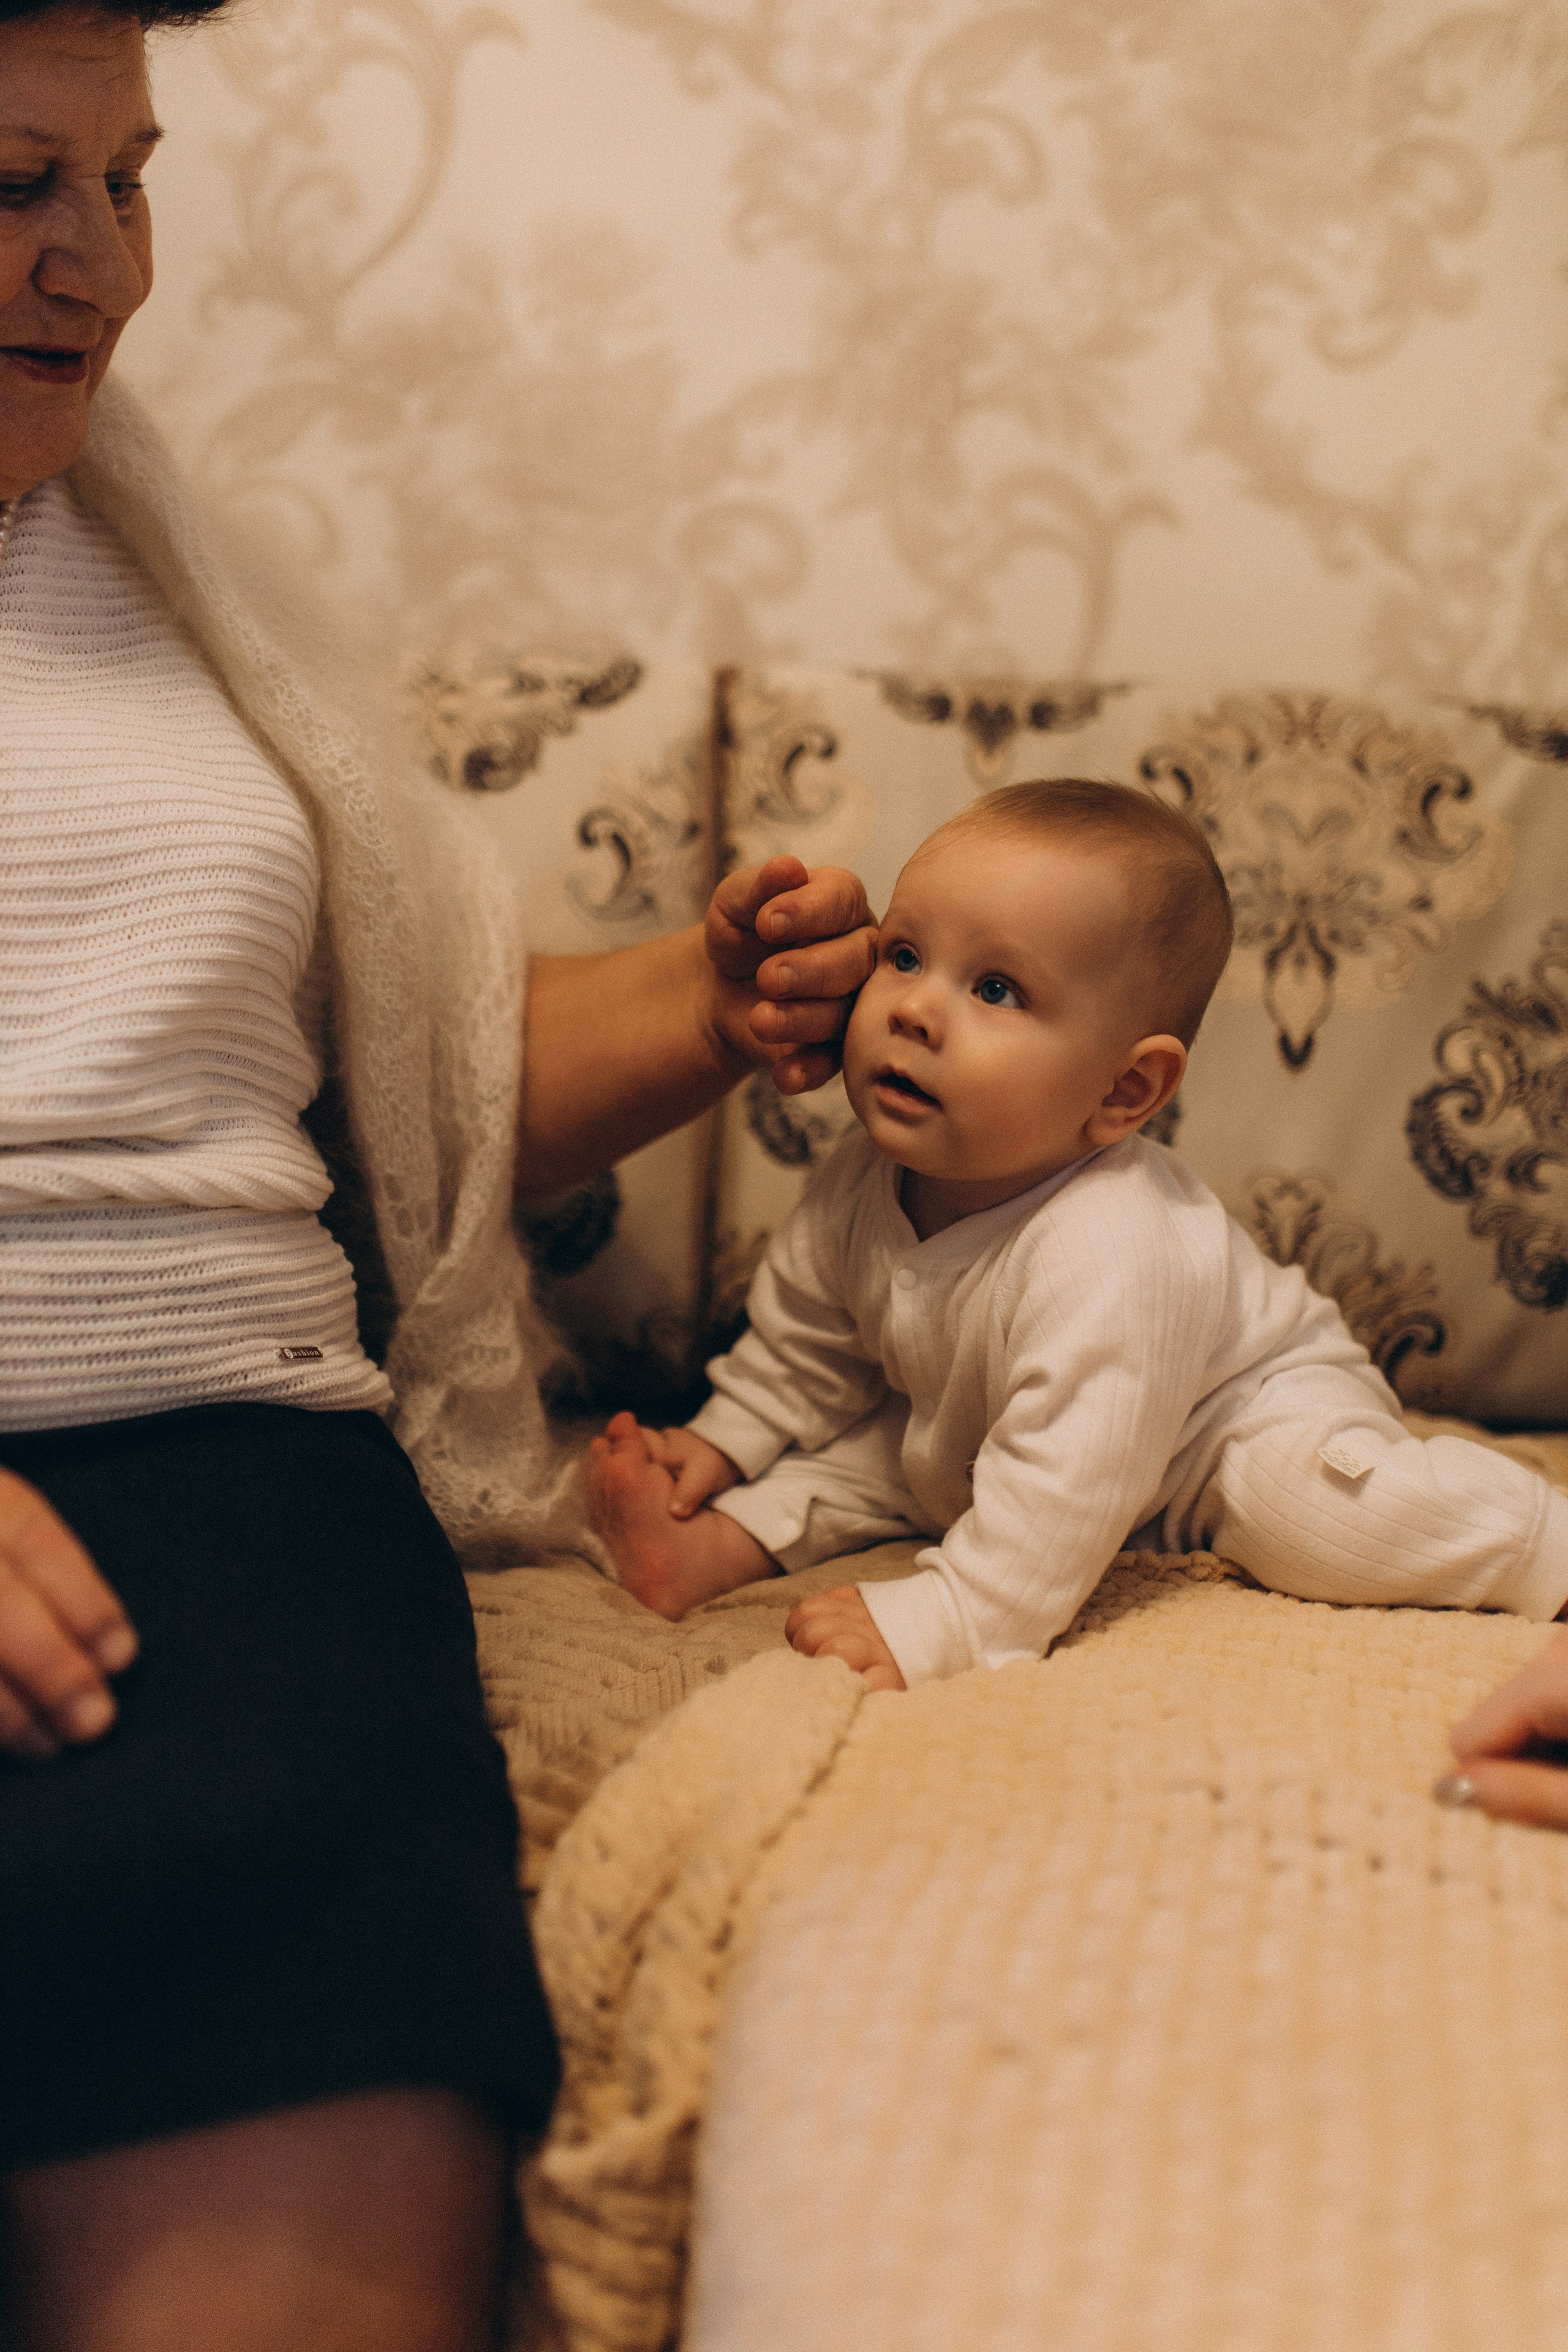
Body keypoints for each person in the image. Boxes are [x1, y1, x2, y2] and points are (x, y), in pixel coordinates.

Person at [0, 4, 874, 2345]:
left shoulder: (161, 581)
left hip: (238, 1502)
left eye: (127, 178)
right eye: (15, 184)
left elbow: (400, 1094)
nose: (98, 263)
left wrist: (708, 1008)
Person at [588, 779, 1568, 1692]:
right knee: (894, 1453)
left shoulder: (1112, 1246)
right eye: (906, 956)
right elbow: (803, 1345)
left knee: (1309, 1516)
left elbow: (1070, 1475)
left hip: (1225, 1423)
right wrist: (723, 1440)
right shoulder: (862, 1179)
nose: (916, 1010)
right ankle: (705, 1541)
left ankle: (1544, 1544)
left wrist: (958, 1618)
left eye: (998, 990)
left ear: (1125, 1090)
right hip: (1009, 1426)